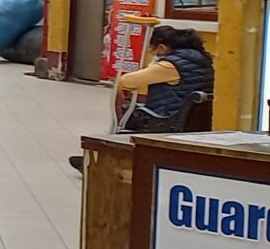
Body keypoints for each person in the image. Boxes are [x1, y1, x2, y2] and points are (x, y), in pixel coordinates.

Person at [69, 26, 213, 171]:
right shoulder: (200, 61)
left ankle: (99, 162)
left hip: (168, 118)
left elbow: (126, 81)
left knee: (126, 119)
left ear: (162, 48)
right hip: (188, 117)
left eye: (152, 50)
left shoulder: (170, 65)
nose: (153, 54)